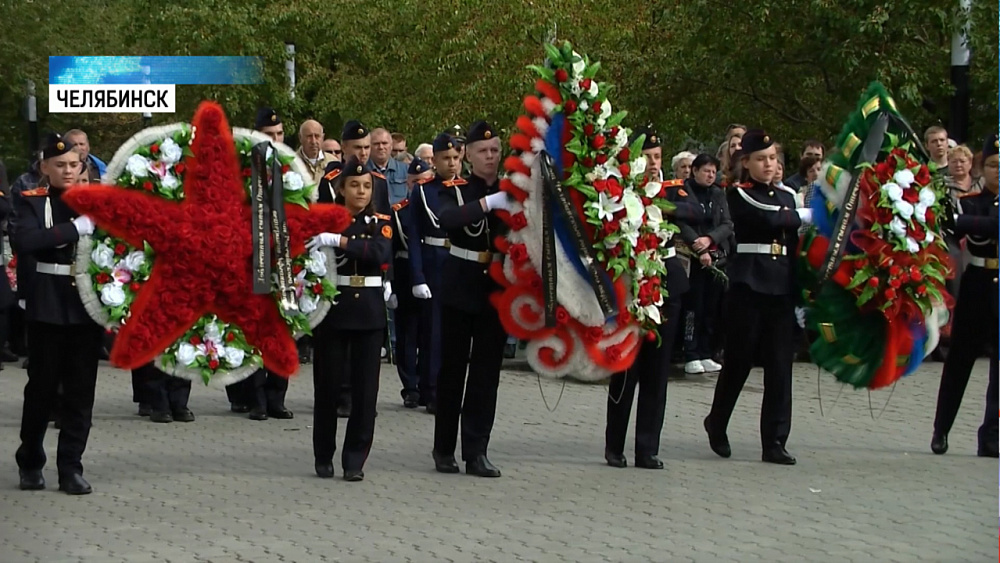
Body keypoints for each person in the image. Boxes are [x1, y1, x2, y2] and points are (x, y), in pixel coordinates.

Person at [703, 130, 812, 466]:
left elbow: (793, 239)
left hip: (780, 285)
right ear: (746, 162)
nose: (769, 164)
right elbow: (770, 218)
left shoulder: (788, 195)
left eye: (773, 158)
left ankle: (775, 441)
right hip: (749, 284)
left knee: (781, 366)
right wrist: (812, 214)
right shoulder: (738, 194)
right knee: (739, 361)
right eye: (761, 159)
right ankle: (717, 421)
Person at [12, 134, 104, 494]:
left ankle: (71, 467)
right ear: (45, 168)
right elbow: (26, 241)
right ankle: (31, 460)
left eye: (73, 165)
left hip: (86, 305)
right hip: (48, 304)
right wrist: (73, 229)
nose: (67, 171)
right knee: (42, 390)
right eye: (60, 165)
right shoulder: (31, 203)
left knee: (81, 392)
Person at [605, 174, 699, 469]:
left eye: (658, 156)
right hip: (632, 279)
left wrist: (662, 205)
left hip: (666, 280)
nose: (654, 162)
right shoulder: (620, 188)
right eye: (648, 155)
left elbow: (696, 210)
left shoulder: (672, 188)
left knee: (658, 372)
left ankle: (647, 448)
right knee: (626, 369)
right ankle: (614, 445)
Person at [431, 121, 509, 477]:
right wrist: (490, 202)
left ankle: (477, 449)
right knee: (453, 370)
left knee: (486, 374)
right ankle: (444, 448)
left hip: (496, 290)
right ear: (468, 155)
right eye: (483, 151)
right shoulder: (456, 188)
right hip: (460, 286)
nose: (490, 157)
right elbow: (447, 219)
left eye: (495, 151)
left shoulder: (513, 189)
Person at [307, 157, 392, 481]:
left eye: (367, 186)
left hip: (368, 312)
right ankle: (323, 454)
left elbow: (380, 253)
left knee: (365, 392)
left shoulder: (381, 220)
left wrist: (340, 241)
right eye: (354, 185)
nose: (361, 190)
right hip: (335, 309)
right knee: (327, 387)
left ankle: (354, 459)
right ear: (340, 189)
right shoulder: (327, 221)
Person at [930, 133, 999, 458]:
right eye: (993, 165)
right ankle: (941, 429)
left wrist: (966, 221)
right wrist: (964, 220)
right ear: (981, 168)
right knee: (959, 361)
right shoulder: (970, 200)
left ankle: (991, 435)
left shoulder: (969, 210)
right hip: (977, 284)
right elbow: (950, 224)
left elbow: (981, 225)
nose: (998, 171)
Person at [406, 135, 462, 415]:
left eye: (455, 158)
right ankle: (431, 390)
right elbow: (414, 236)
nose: (451, 163)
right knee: (434, 332)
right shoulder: (424, 191)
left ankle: (452, 390)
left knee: (457, 334)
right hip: (435, 262)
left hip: (461, 263)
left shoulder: (468, 189)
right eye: (445, 158)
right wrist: (417, 276)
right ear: (435, 160)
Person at [678, 154, 732, 375]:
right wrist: (697, 245)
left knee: (711, 307)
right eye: (706, 171)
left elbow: (727, 223)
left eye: (713, 171)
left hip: (716, 255)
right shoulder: (683, 191)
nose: (710, 175)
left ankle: (705, 351)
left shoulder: (718, 194)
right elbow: (681, 222)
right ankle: (690, 352)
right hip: (692, 256)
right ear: (695, 171)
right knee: (694, 307)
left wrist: (711, 240)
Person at [393, 159, 431, 409]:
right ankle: (410, 387)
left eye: (424, 181)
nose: (419, 186)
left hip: (431, 272)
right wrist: (391, 285)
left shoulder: (436, 206)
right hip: (406, 273)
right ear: (407, 183)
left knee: (429, 333)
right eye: (415, 182)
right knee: (407, 333)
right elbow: (392, 250)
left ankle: (429, 383)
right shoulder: (398, 211)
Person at [340, 120, 391, 216]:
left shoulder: (379, 181)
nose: (363, 153)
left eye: (367, 147)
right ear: (344, 148)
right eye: (358, 147)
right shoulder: (332, 180)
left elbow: (384, 218)